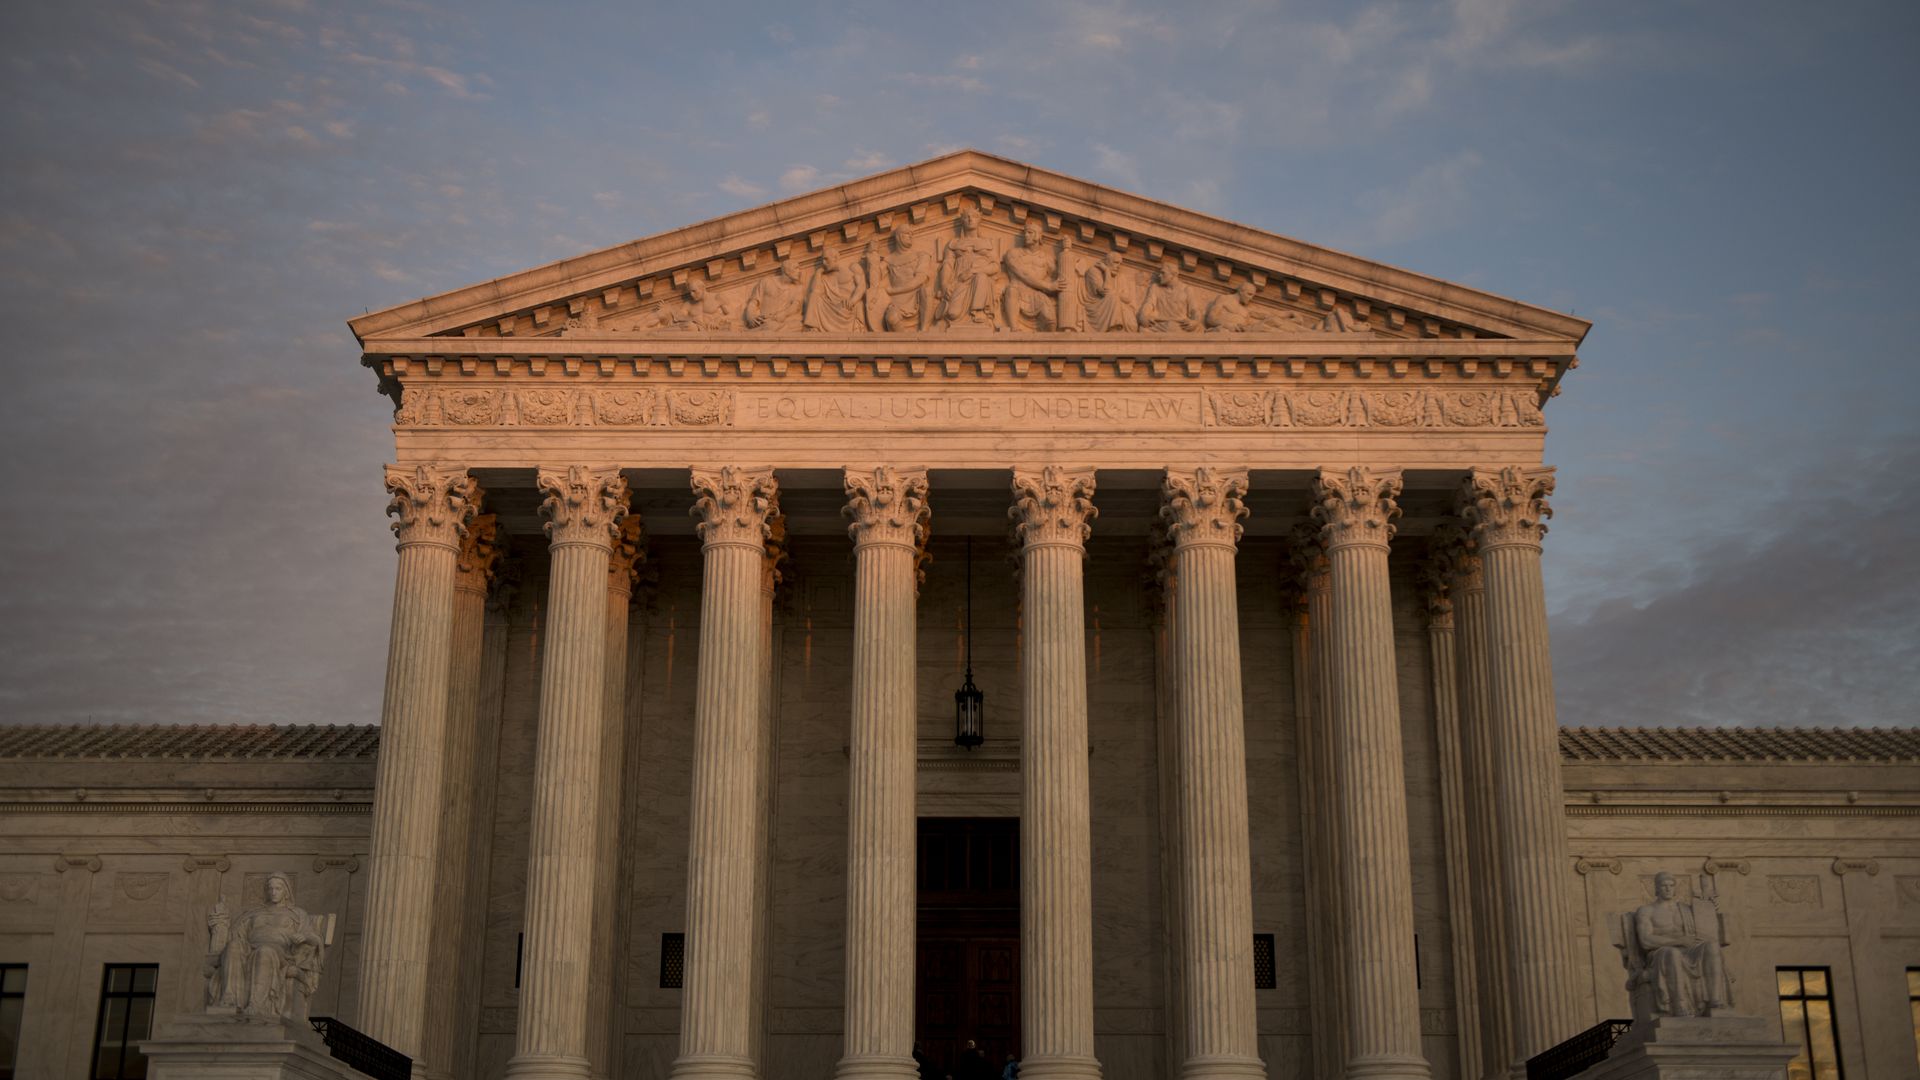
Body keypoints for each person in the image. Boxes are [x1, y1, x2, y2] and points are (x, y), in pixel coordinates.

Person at [205, 871, 328, 1021]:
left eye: (278, 889)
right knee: (233, 946)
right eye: (270, 889)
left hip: (282, 953)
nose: (273, 892)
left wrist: (305, 936)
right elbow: (236, 935)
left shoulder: (297, 914)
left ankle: (257, 1004)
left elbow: (315, 939)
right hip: (249, 946)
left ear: (286, 891)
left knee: (265, 952)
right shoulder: (254, 913)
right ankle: (229, 998)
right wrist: (220, 926)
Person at [1630, 871, 1733, 1016]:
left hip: (1689, 950)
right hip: (1660, 953)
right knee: (1672, 953)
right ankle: (1680, 1004)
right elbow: (1646, 941)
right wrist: (1678, 941)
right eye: (1663, 885)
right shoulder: (1647, 911)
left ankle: (1715, 1000)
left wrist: (1709, 910)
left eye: (1671, 885)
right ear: (1656, 889)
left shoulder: (1686, 909)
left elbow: (1707, 931)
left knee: (1712, 947)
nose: (1668, 888)